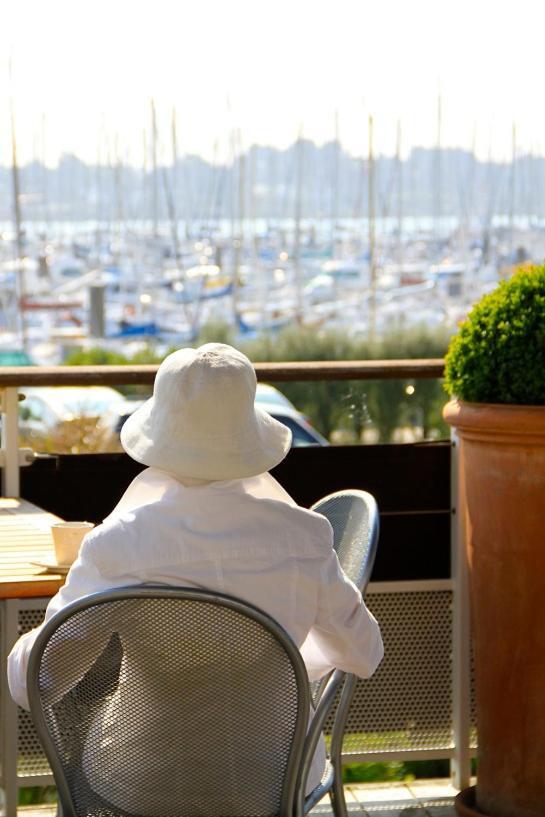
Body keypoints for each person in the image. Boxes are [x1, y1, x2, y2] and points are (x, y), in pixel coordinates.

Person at [8, 342, 383, 806]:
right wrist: (285, 651)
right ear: (250, 436)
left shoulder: (119, 543)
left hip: (142, 784)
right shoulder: (303, 536)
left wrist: (33, 639)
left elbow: (34, 683)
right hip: (272, 781)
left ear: (159, 437)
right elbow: (364, 653)